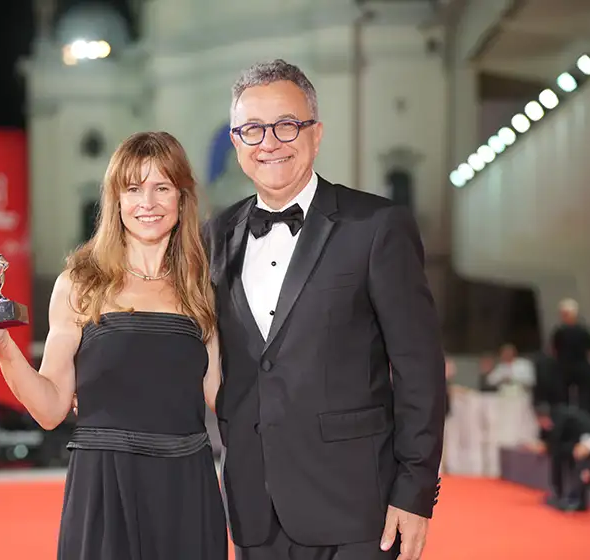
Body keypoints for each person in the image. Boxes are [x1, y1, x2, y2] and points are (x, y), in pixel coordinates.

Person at [0, 131, 228, 560]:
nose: (148, 202)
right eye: (134, 188)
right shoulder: (80, 283)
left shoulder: (203, 288)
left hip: (186, 487)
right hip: (104, 487)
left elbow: (223, 396)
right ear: (116, 200)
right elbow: (51, 409)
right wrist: (3, 347)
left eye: (162, 187)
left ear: (181, 199)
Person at [203, 59, 445, 560]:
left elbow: (419, 369)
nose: (269, 142)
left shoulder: (377, 225)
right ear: (235, 142)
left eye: (286, 125)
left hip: (360, 508)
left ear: (316, 134)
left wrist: (415, 491)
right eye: (252, 130)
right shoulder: (215, 235)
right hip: (254, 506)